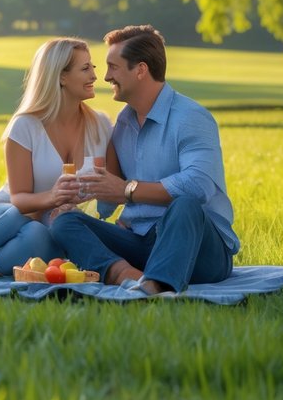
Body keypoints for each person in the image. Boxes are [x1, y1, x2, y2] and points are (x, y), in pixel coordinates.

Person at [50, 25, 239, 295]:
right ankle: (127, 275)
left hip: (198, 249)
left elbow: (198, 186)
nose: (105, 77)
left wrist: (128, 190)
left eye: (113, 67)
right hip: (141, 242)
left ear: (140, 70)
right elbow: (107, 199)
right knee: (65, 223)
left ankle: (156, 285)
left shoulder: (191, 117)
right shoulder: (124, 123)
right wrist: (74, 197)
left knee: (185, 204)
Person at [0, 37, 113, 276]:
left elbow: (109, 197)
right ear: (60, 76)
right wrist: (53, 197)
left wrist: (79, 207)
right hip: (5, 215)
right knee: (18, 217)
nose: (94, 75)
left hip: (50, 224)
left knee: (40, 236)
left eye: (93, 67)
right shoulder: (26, 126)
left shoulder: (101, 125)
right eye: (85, 68)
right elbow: (19, 199)